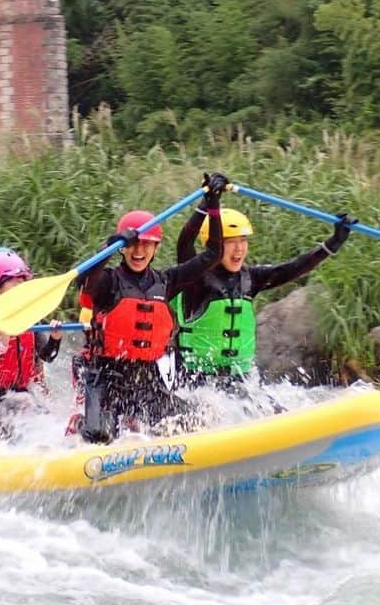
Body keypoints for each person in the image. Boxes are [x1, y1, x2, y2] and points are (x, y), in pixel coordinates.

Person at [75, 173, 229, 444]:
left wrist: (212, 205)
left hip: (146, 382)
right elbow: (84, 281)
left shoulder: (167, 282)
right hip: (106, 381)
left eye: (147, 244)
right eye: (132, 244)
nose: (138, 251)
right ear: (123, 249)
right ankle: (78, 426)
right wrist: (107, 248)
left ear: (156, 247)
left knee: (197, 422)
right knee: (98, 435)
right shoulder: (108, 282)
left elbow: (213, 254)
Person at [173, 204, 356, 386]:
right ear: (212, 245)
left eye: (243, 240)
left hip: (240, 382)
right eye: (230, 242)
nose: (239, 249)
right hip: (196, 383)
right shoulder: (195, 280)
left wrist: (332, 244)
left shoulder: (250, 278)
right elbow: (185, 242)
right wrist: (208, 203)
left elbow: (294, 267)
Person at [0, 247, 63, 449]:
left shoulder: (31, 317)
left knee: (53, 438)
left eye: (24, 279)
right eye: (15, 280)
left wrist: (55, 339)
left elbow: (47, 356)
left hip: (21, 395)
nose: (22, 284)